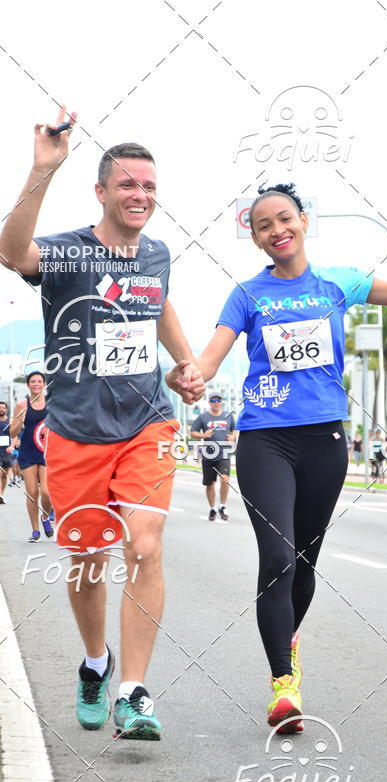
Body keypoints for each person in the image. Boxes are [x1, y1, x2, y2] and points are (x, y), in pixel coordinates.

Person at [196, 183, 387, 731]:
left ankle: (287, 638)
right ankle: (283, 685)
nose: (277, 230)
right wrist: (191, 375)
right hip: (265, 438)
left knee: (303, 565)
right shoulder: (246, 295)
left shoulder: (338, 283)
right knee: (276, 558)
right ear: (254, 237)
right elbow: (209, 358)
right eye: (263, 225)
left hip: (325, 443)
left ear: (303, 221)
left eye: (284, 219)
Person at [0, 107, 204, 741]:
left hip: (147, 422)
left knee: (144, 544)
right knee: (89, 560)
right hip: (76, 430)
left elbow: (158, 301)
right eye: (127, 185)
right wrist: (41, 170)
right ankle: (95, 664)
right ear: (102, 192)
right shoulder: (67, 254)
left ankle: (134, 692)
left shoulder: (158, 254)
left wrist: (186, 362)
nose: (139, 195)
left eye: (148, 186)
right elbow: (11, 252)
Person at [10, 371, 53, 540]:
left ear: (44, 384)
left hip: (47, 452)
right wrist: (20, 420)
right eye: (33, 381)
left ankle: (45, 518)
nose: (36, 384)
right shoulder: (22, 405)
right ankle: (35, 530)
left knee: (46, 493)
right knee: (32, 492)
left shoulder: (51, 403)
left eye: (39, 381)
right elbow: (12, 432)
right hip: (27, 452)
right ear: (28, 385)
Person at [190, 392, 236, 521]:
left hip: (224, 453)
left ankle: (223, 506)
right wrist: (203, 435)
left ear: (221, 402)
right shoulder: (203, 417)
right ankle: (212, 509)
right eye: (213, 400)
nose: (216, 403)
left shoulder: (228, 415)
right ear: (209, 402)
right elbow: (192, 432)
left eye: (218, 400)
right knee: (210, 484)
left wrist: (233, 437)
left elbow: (235, 428)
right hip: (209, 455)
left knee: (225, 479)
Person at [0, 401, 12, 503]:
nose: (1, 409)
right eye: (0, 408)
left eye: (3, 408)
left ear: (6, 410)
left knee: (4, 475)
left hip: (6, 451)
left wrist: (12, 445)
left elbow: (15, 435)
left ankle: (1, 495)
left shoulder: (10, 422)